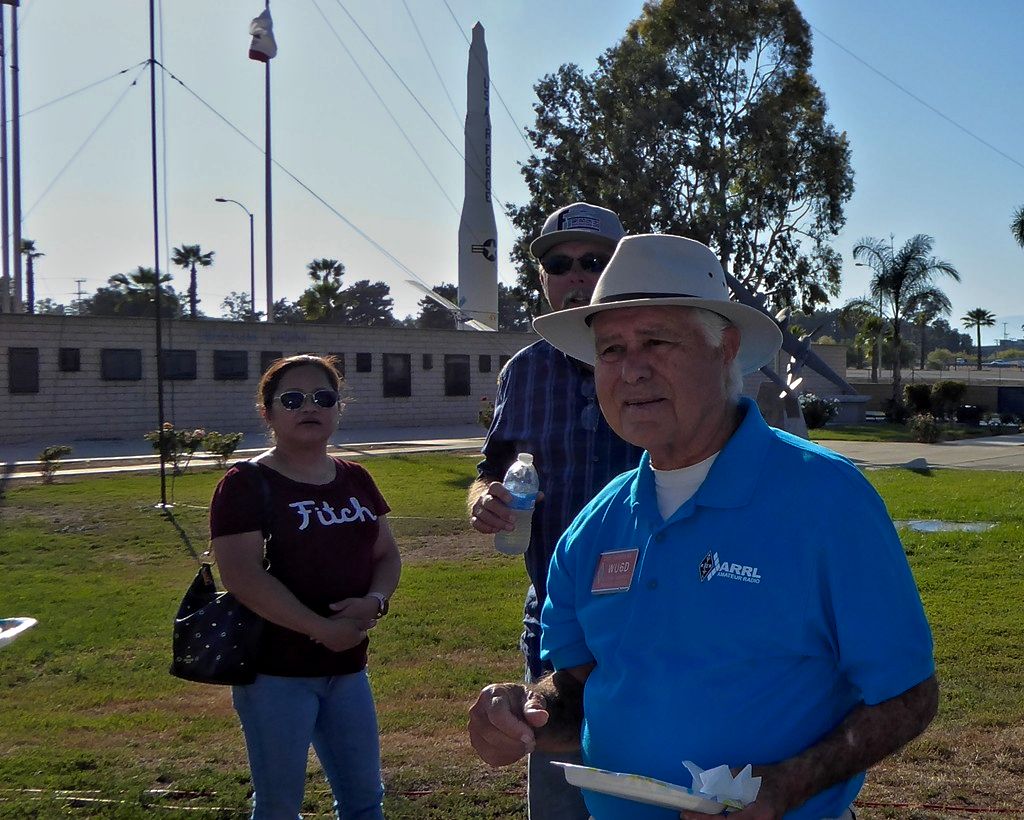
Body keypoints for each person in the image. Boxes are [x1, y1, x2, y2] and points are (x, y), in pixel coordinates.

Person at [468, 235, 938, 820]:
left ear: (726, 350)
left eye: (657, 341)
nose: (631, 370)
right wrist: (524, 712)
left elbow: (909, 694)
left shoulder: (827, 499)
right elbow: (578, 690)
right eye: (611, 349)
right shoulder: (594, 526)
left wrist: (790, 783)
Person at [468, 202, 643, 818]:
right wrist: (484, 499)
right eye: (560, 264)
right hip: (553, 608)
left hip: (653, 612)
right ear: (542, 277)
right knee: (559, 785)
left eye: (595, 263)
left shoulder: (652, 364)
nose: (577, 277)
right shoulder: (527, 369)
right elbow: (493, 466)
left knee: (650, 776)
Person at [210, 354, 401, 820]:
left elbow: (386, 555)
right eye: (292, 399)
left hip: (348, 670)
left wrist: (374, 602)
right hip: (275, 674)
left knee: (364, 800)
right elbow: (242, 576)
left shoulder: (355, 477)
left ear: (339, 408)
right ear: (267, 412)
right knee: (279, 806)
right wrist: (321, 628)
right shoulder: (244, 484)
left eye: (323, 397)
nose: (308, 407)